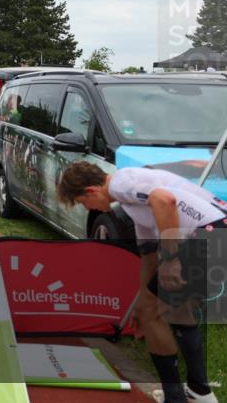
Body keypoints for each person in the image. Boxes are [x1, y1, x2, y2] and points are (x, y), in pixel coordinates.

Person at [58, 162, 226, 403]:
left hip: (208, 233)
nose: (88, 208)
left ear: (91, 191)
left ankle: (177, 397)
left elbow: (164, 200)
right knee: (172, 311)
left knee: (153, 315)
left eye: (83, 203)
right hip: (215, 232)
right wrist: (142, 303)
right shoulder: (132, 203)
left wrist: (170, 259)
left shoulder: (120, 183)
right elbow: (148, 257)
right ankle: (199, 392)